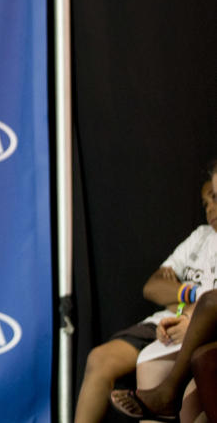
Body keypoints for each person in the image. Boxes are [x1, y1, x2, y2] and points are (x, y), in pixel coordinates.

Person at [72, 173, 217, 423]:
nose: (210, 208)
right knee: (101, 358)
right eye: (205, 203)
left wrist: (184, 303)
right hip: (168, 320)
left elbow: (209, 304)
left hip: (192, 324)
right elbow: (153, 286)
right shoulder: (200, 237)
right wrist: (189, 294)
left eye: (214, 197)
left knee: (191, 387)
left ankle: (166, 395)